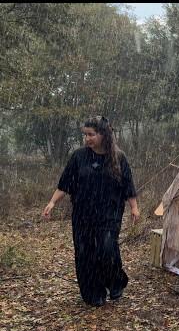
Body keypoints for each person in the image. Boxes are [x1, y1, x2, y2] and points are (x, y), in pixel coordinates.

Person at [42, 116, 139, 307]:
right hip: (83, 215)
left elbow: (128, 185)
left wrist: (134, 207)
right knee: (86, 253)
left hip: (109, 214)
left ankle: (115, 281)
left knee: (107, 248)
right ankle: (93, 293)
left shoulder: (118, 158)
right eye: (85, 135)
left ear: (104, 135)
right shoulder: (79, 157)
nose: (87, 139)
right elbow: (65, 183)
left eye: (91, 134)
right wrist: (52, 202)